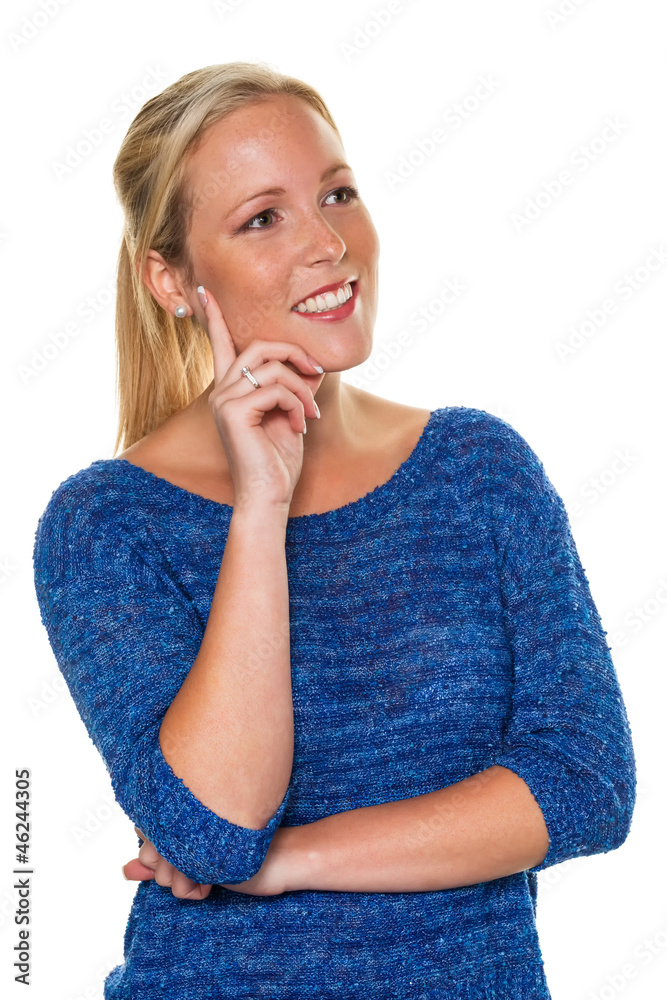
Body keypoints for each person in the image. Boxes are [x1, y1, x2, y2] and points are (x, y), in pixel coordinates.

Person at [32, 61, 637, 999]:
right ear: (172, 280)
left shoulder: (477, 470)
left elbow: (586, 783)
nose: (327, 242)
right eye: (262, 218)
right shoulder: (106, 525)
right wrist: (259, 508)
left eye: (337, 194)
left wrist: (292, 861)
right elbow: (212, 832)